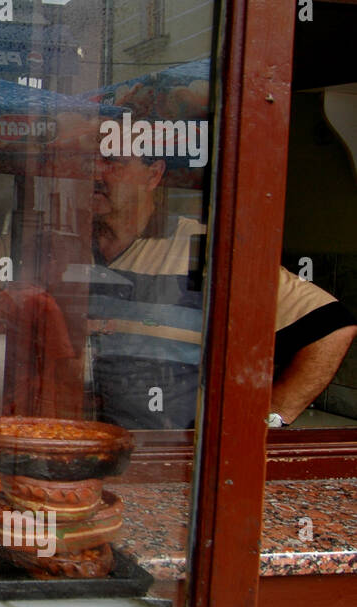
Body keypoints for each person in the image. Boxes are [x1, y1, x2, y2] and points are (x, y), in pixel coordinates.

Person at [87, 151, 356, 428]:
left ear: (154, 174)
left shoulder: (202, 248)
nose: (94, 173)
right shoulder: (69, 248)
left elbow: (332, 326)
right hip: (93, 443)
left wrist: (265, 421)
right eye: (86, 161)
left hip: (182, 457)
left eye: (112, 162)